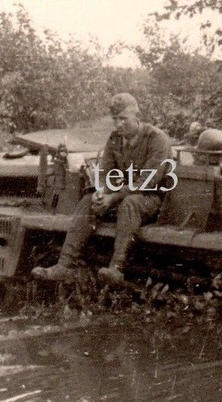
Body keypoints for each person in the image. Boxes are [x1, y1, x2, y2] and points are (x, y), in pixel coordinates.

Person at [31, 92, 174, 285]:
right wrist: (101, 192)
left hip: (151, 198)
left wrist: (112, 197)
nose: (119, 124)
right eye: (115, 119)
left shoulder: (156, 139)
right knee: (88, 201)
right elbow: (105, 172)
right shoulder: (115, 139)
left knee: (130, 203)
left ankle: (116, 268)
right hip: (121, 195)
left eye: (123, 118)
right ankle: (64, 265)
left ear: (137, 116)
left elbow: (147, 181)